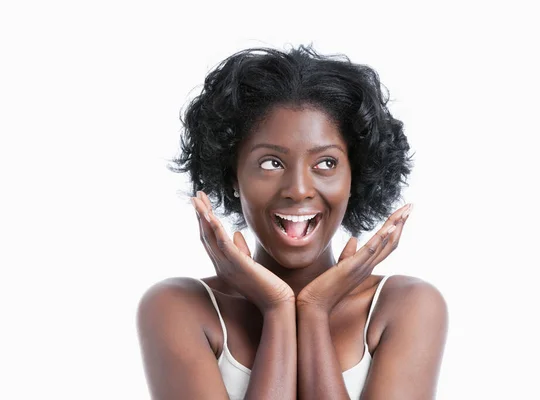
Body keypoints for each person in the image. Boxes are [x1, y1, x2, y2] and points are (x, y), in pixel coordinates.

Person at [137, 45, 448, 400]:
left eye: (326, 164)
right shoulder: (178, 306)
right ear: (233, 176)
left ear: (355, 177)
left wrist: (314, 311)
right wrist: (278, 310)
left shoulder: (406, 306)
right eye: (271, 163)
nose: (298, 190)